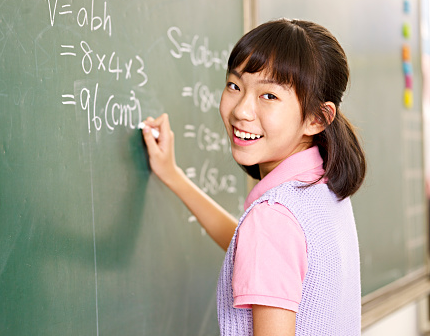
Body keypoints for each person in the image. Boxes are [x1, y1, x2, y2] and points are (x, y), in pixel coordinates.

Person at [141, 19, 366, 336]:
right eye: (234, 86)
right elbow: (253, 245)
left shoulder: (273, 220)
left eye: (269, 96)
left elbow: (265, 238)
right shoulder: (320, 188)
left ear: (317, 118)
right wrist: (173, 176)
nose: (242, 110)